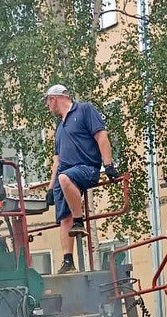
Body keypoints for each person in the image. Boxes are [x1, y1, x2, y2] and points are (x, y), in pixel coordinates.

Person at [42, 84, 118, 274]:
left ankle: (79, 220)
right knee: (63, 217)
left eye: (47, 101)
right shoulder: (60, 127)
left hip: (86, 168)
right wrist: (50, 188)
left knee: (65, 178)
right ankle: (68, 261)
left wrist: (108, 165)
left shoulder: (84, 110)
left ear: (54, 98)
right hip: (64, 175)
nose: (47, 107)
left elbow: (101, 136)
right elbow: (57, 160)